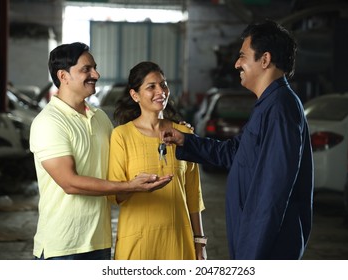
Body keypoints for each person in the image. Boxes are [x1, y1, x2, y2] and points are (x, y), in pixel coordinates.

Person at [161, 20, 314, 260]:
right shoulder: (267, 105)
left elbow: (273, 191)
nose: (236, 64)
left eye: (242, 56)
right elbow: (234, 152)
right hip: (254, 239)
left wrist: (251, 255)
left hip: (266, 248)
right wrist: (187, 142)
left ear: (264, 60)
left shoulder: (280, 108)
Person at [29, 43, 172, 260]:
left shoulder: (100, 118)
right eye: (86, 69)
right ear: (63, 76)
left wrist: (171, 134)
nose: (96, 74)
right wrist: (129, 186)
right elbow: (69, 182)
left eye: (94, 68)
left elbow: (116, 165)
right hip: (63, 247)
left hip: (100, 242)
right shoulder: (49, 122)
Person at [108, 61, 206, 260]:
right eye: (151, 86)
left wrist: (200, 242)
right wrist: (135, 186)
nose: (161, 91)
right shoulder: (121, 136)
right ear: (135, 95)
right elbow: (116, 195)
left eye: (163, 84)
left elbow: (193, 195)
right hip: (137, 243)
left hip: (178, 240)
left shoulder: (184, 134)